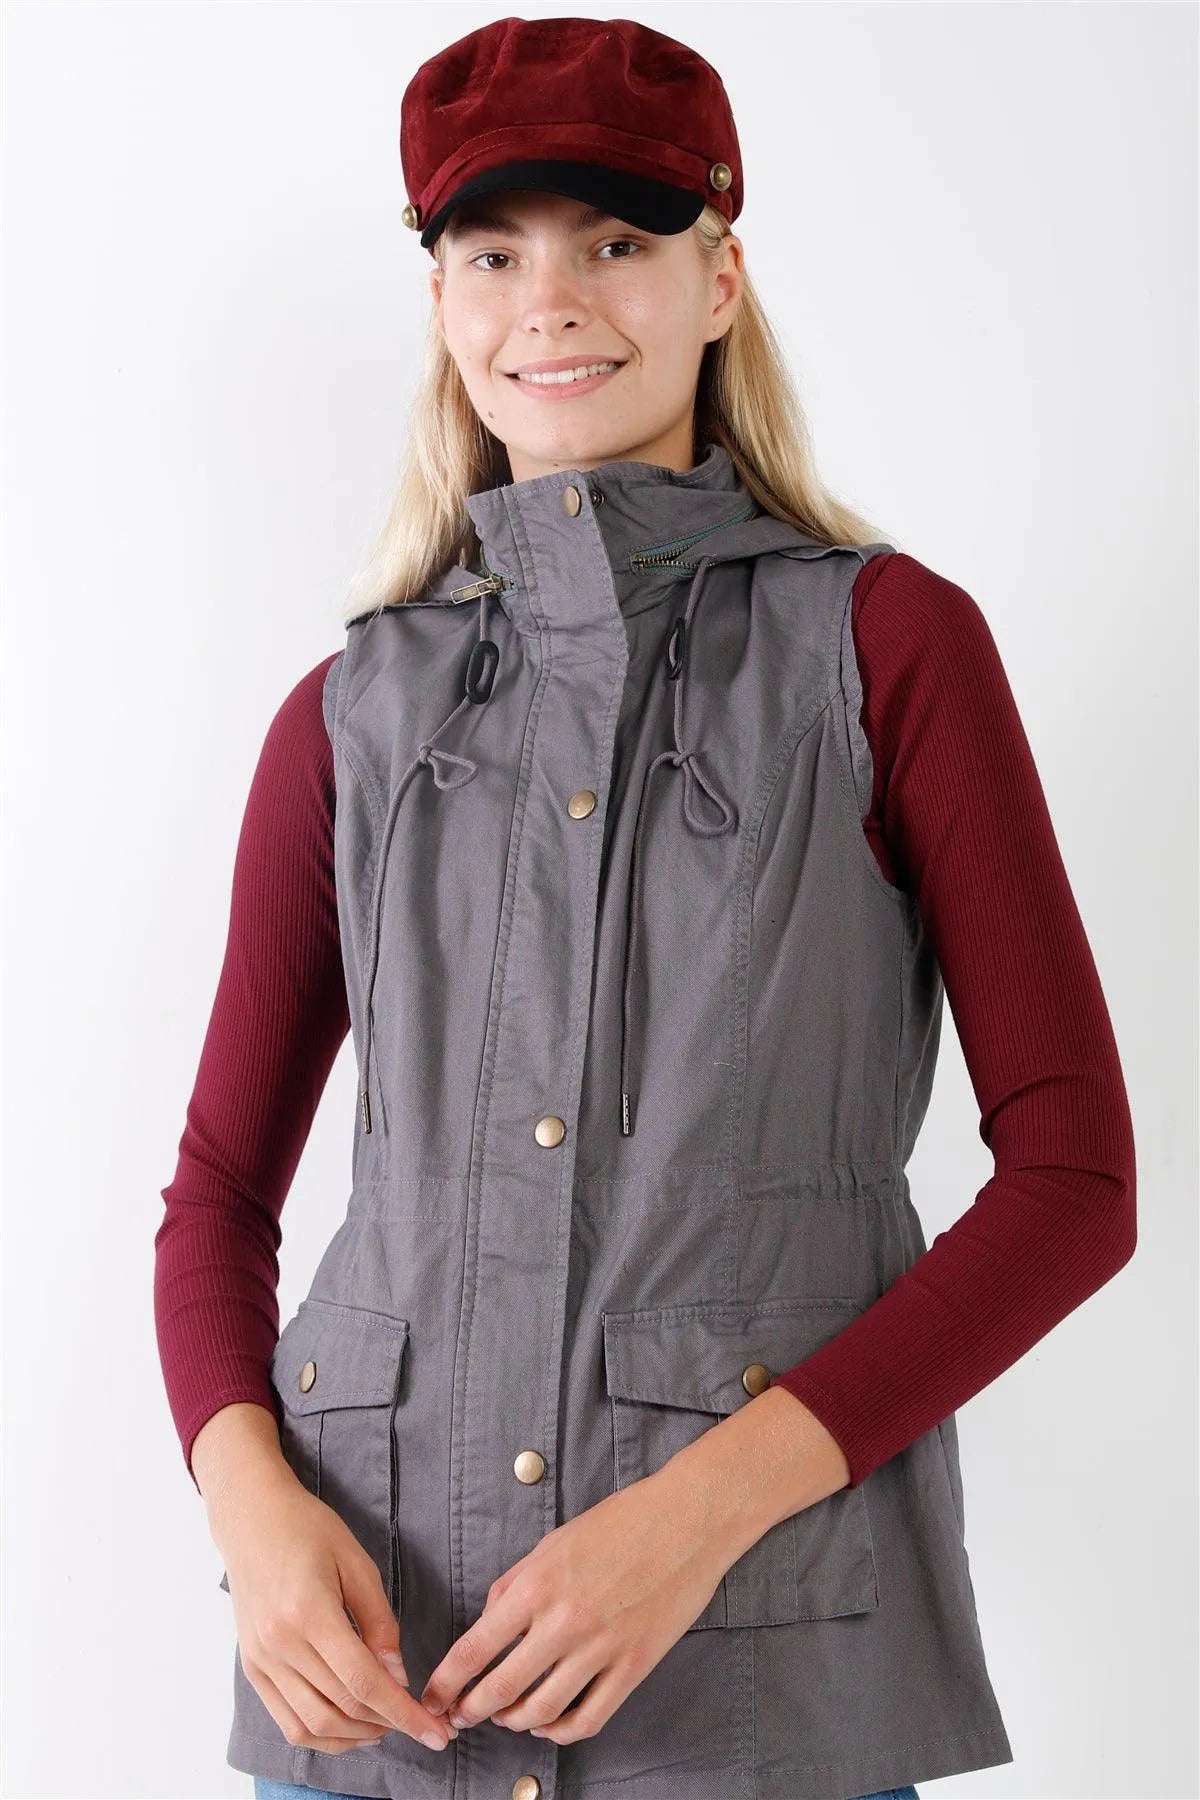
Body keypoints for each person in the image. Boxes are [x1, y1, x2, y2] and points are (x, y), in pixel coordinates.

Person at [153, 16, 1137, 1800]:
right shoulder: (349, 716)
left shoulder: (890, 650)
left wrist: (696, 1513)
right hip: (379, 1693)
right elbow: (219, 1193)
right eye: (492, 253)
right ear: (443, 306)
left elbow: (1076, 1182)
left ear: (718, 281)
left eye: (615, 241)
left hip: (758, 1688)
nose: (552, 300)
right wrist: (251, 1507)